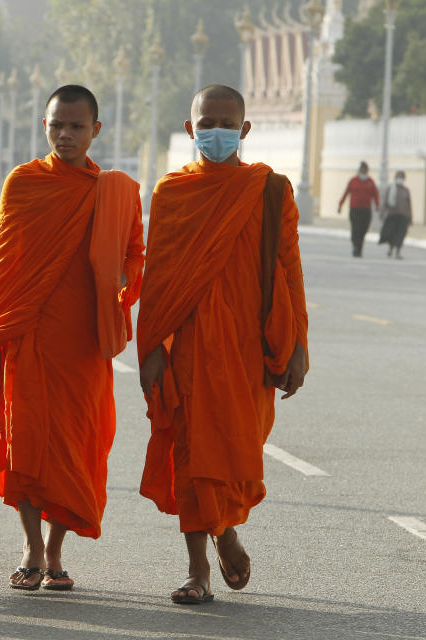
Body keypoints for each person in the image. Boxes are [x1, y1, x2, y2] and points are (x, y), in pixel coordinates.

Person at [137, 85, 308, 605]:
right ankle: (197, 571)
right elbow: (158, 278)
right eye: (206, 122)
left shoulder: (270, 190)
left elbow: (290, 270)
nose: (216, 131)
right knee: (191, 453)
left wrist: (298, 344)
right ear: (190, 130)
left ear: (244, 130)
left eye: (226, 123)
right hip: (188, 347)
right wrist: (149, 349)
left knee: (234, 450)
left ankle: (226, 532)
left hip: (248, 349)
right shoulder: (171, 193)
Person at [0, 85, 145, 592]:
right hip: (27, 334)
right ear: (44, 127)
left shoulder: (115, 191)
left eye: (75, 126)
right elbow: (2, 264)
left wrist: (118, 277)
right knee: (25, 439)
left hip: (83, 342)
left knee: (75, 445)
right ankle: (30, 546)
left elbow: (137, 254)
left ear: (96, 129)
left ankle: (56, 550)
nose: (65, 135)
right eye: (56, 126)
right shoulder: (24, 183)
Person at [338, 161, 379, 258]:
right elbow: (346, 193)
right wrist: (340, 204)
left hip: (366, 210)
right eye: (363, 170)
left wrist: (377, 204)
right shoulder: (353, 181)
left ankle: (359, 249)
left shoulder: (370, 182)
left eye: (366, 171)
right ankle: (355, 247)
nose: (364, 172)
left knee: (363, 230)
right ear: (359, 170)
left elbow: (375, 194)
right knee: (355, 229)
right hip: (355, 209)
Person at [378, 170, 412, 259]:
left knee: (401, 234)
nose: (400, 179)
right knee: (391, 233)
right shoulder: (391, 189)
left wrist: (410, 217)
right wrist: (382, 213)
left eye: (402, 177)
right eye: (399, 177)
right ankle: (390, 249)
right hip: (392, 215)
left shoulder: (406, 190)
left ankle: (398, 252)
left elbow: (409, 204)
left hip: (403, 216)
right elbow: (385, 202)